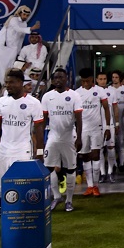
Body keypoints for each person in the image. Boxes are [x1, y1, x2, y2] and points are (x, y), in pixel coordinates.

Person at [0, 69, 45, 217]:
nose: (8, 85)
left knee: (22, 182)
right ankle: (2, 206)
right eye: (6, 82)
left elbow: (39, 129)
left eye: (11, 82)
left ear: (20, 83)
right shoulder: (2, 102)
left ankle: (22, 208)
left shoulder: (33, 103)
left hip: (22, 149)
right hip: (4, 149)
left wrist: (39, 152)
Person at [41, 69, 83, 212]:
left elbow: (79, 119)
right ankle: (57, 196)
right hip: (53, 136)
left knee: (70, 169)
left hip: (69, 137)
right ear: (52, 80)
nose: (58, 80)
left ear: (66, 79)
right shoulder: (47, 97)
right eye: (56, 78)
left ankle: (69, 200)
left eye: (61, 77)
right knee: (48, 167)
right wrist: (40, 139)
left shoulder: (74, 95)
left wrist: (79, 137)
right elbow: (44, 119)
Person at [76, 68, 111, 196]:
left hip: (97, 128)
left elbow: (106, 109)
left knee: (96, 155)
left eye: (88, 81)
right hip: (83, 129)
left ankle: (96, 186)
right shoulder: (77, 93)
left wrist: (107, 127)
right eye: (83, 81)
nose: (86, 83)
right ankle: (89, 186)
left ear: (92, 79)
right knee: (85, 156)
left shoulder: (99, 91)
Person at [0, 6, 40, 84]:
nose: (25, 17)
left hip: (13, 48)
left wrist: (18, 50)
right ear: (20, 13)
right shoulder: (13, 19)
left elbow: (21, 38)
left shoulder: (24, 24)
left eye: (27, 15)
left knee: (9, 65)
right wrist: (31, 28)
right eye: (24, 15)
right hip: (4, 46)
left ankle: (5, 83)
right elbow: (18, 29)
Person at [108, 71, 124, 174]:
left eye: (116, 77)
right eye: (113, 77)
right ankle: (113, 165)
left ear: (120, 78)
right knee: (112, 144)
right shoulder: (108, 90)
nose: (114, 79)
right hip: (111, 120)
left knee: (121, 142)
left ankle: (121, 163)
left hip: (122, 120)